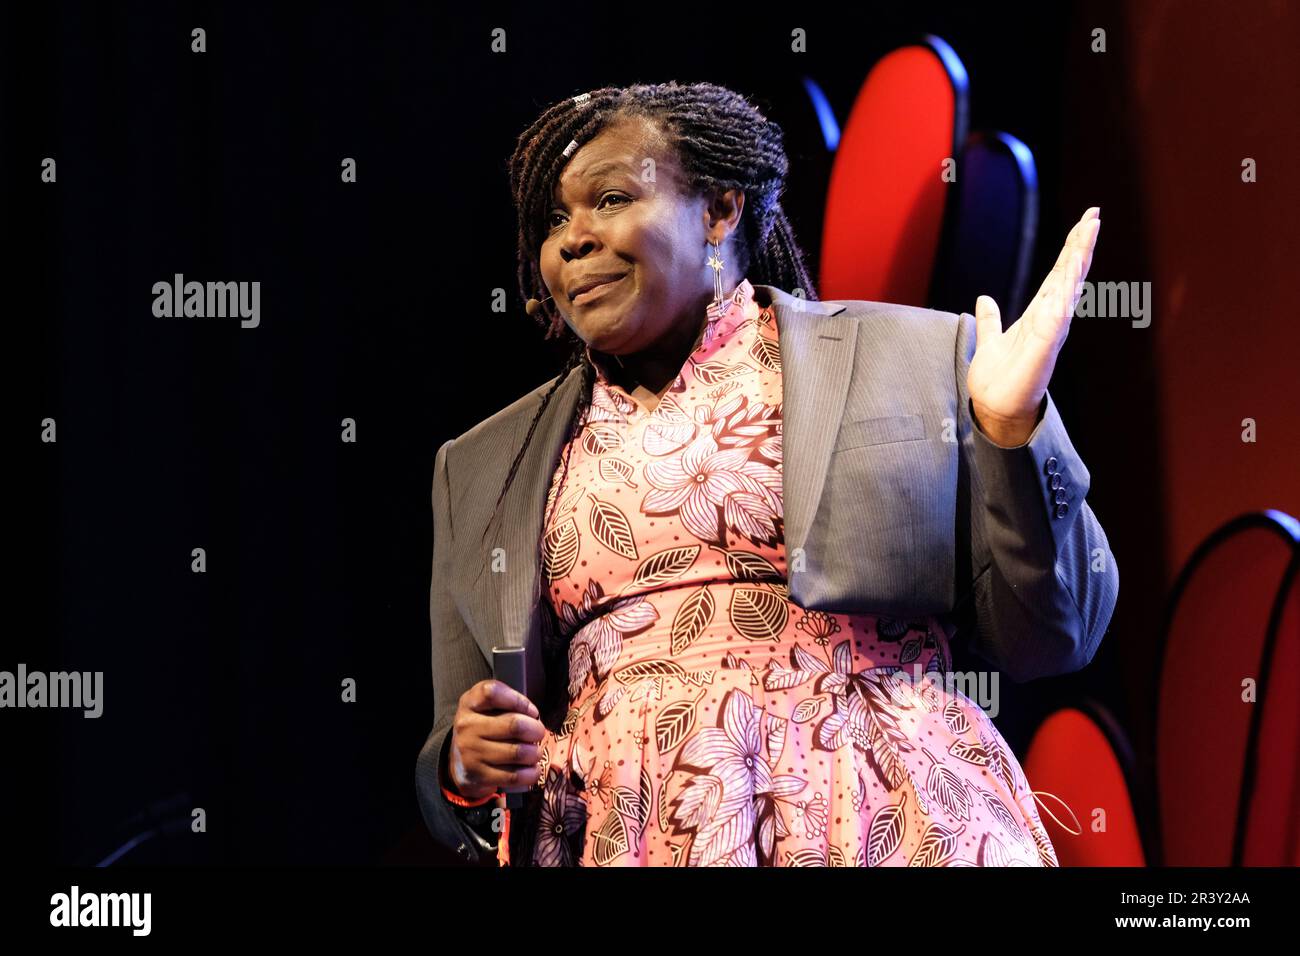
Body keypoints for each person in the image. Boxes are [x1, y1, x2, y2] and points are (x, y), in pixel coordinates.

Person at [414, 81, 1116, 867]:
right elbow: (462, 745)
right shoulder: (481, 465)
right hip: (633, 833)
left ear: (720, 210)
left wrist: (1011, 432)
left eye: (610, 198)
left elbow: (1059, 631)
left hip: (889, 813)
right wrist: (460, 767)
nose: (572, 240)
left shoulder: (916, 360)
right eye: (552, 220)